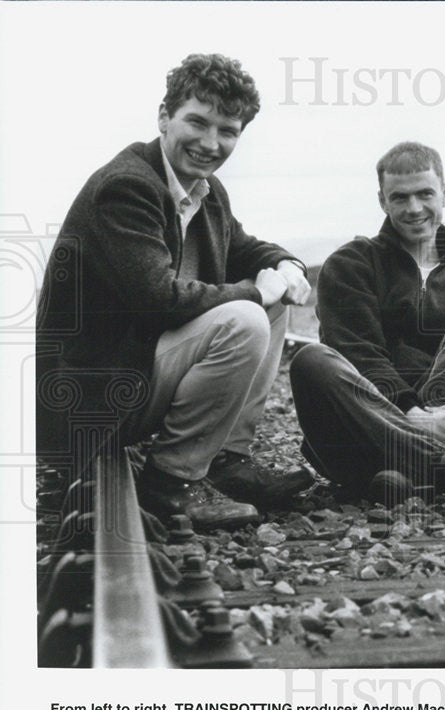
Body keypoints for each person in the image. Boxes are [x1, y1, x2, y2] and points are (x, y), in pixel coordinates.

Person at [36, 53, 314, 528]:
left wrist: (285, 266)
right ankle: (171, 481)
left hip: (135, 371)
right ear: (164, 117)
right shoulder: (127, 186)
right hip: (91, 394)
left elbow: (246, 248)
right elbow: (157, 299)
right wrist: (256, 292)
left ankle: (226, 459)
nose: (211, 143)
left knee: (272, 305)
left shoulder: (206, 191)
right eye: (197, 122)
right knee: (248, 314)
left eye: (227, 131)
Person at [290, 141, 445, 502]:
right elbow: (358, 353)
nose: (414, 209)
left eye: (425, 194)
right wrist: (417, 417)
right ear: (382, 201)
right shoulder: (351, 264)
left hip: (437, 425)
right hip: (358, 434)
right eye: (399, 198)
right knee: (312, 361)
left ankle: (408, 475)